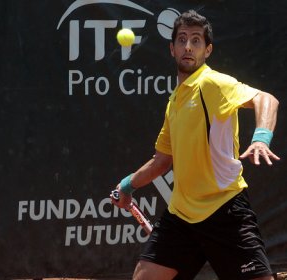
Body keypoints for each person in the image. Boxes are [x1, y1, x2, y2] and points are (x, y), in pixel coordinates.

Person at [111, 10, 280, 280]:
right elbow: (162, 162)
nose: (188, 46)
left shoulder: (212, 83)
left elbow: (267, 100)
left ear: (207, 50)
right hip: (181, 216)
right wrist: (128, 185)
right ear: (172, 49)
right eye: (182, 40)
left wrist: (261, 138)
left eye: (196, 40)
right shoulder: (175, 101)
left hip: (224, 210)